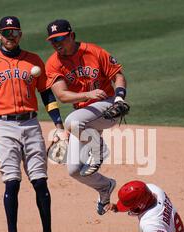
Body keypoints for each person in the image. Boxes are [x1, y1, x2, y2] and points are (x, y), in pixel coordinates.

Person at [0, 16, 66, 232]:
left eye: (14, 32)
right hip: (3, 127)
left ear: (20, 34)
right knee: (12, 182)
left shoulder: (33, 60)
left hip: (31, 124)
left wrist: (58, 123)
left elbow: (46, 94)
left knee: (40, 182)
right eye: (6, 33)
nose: (10, 37)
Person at [44, 19, 129, 215]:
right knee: (74, 170)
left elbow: (118, 76)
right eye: (52, 41)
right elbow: (63, 95)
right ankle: (105, 187)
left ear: (72, 35)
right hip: (86, 117)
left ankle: (98, 149)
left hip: (107, 107)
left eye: (61, 39)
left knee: (72, 121)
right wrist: (87, 95)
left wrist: (119, 99)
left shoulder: (94, 52)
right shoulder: (53, 63)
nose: (57, 43)